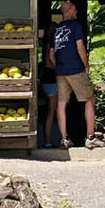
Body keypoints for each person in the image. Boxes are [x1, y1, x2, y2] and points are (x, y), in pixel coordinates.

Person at [49, 0, 97, 150]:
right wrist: (86, 65)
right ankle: (90, 137)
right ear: (68, 11)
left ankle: (64, 139)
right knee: (89, 100)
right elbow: (80, 46)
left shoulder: (55, 30)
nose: (76, 12)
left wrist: (60, 66)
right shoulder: (76, 26)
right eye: (75, 9)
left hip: (61, 72)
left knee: (61, 104)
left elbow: (51, 54)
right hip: (75, 69)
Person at [39, 13, 60, 148]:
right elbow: (48, 62)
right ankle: (47, 141)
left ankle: (50, 139)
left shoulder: (45, 44)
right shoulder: (50, 45)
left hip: (47, 81)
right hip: (51, 80)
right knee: (52, 112)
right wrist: (59, 68)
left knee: (53, 111)